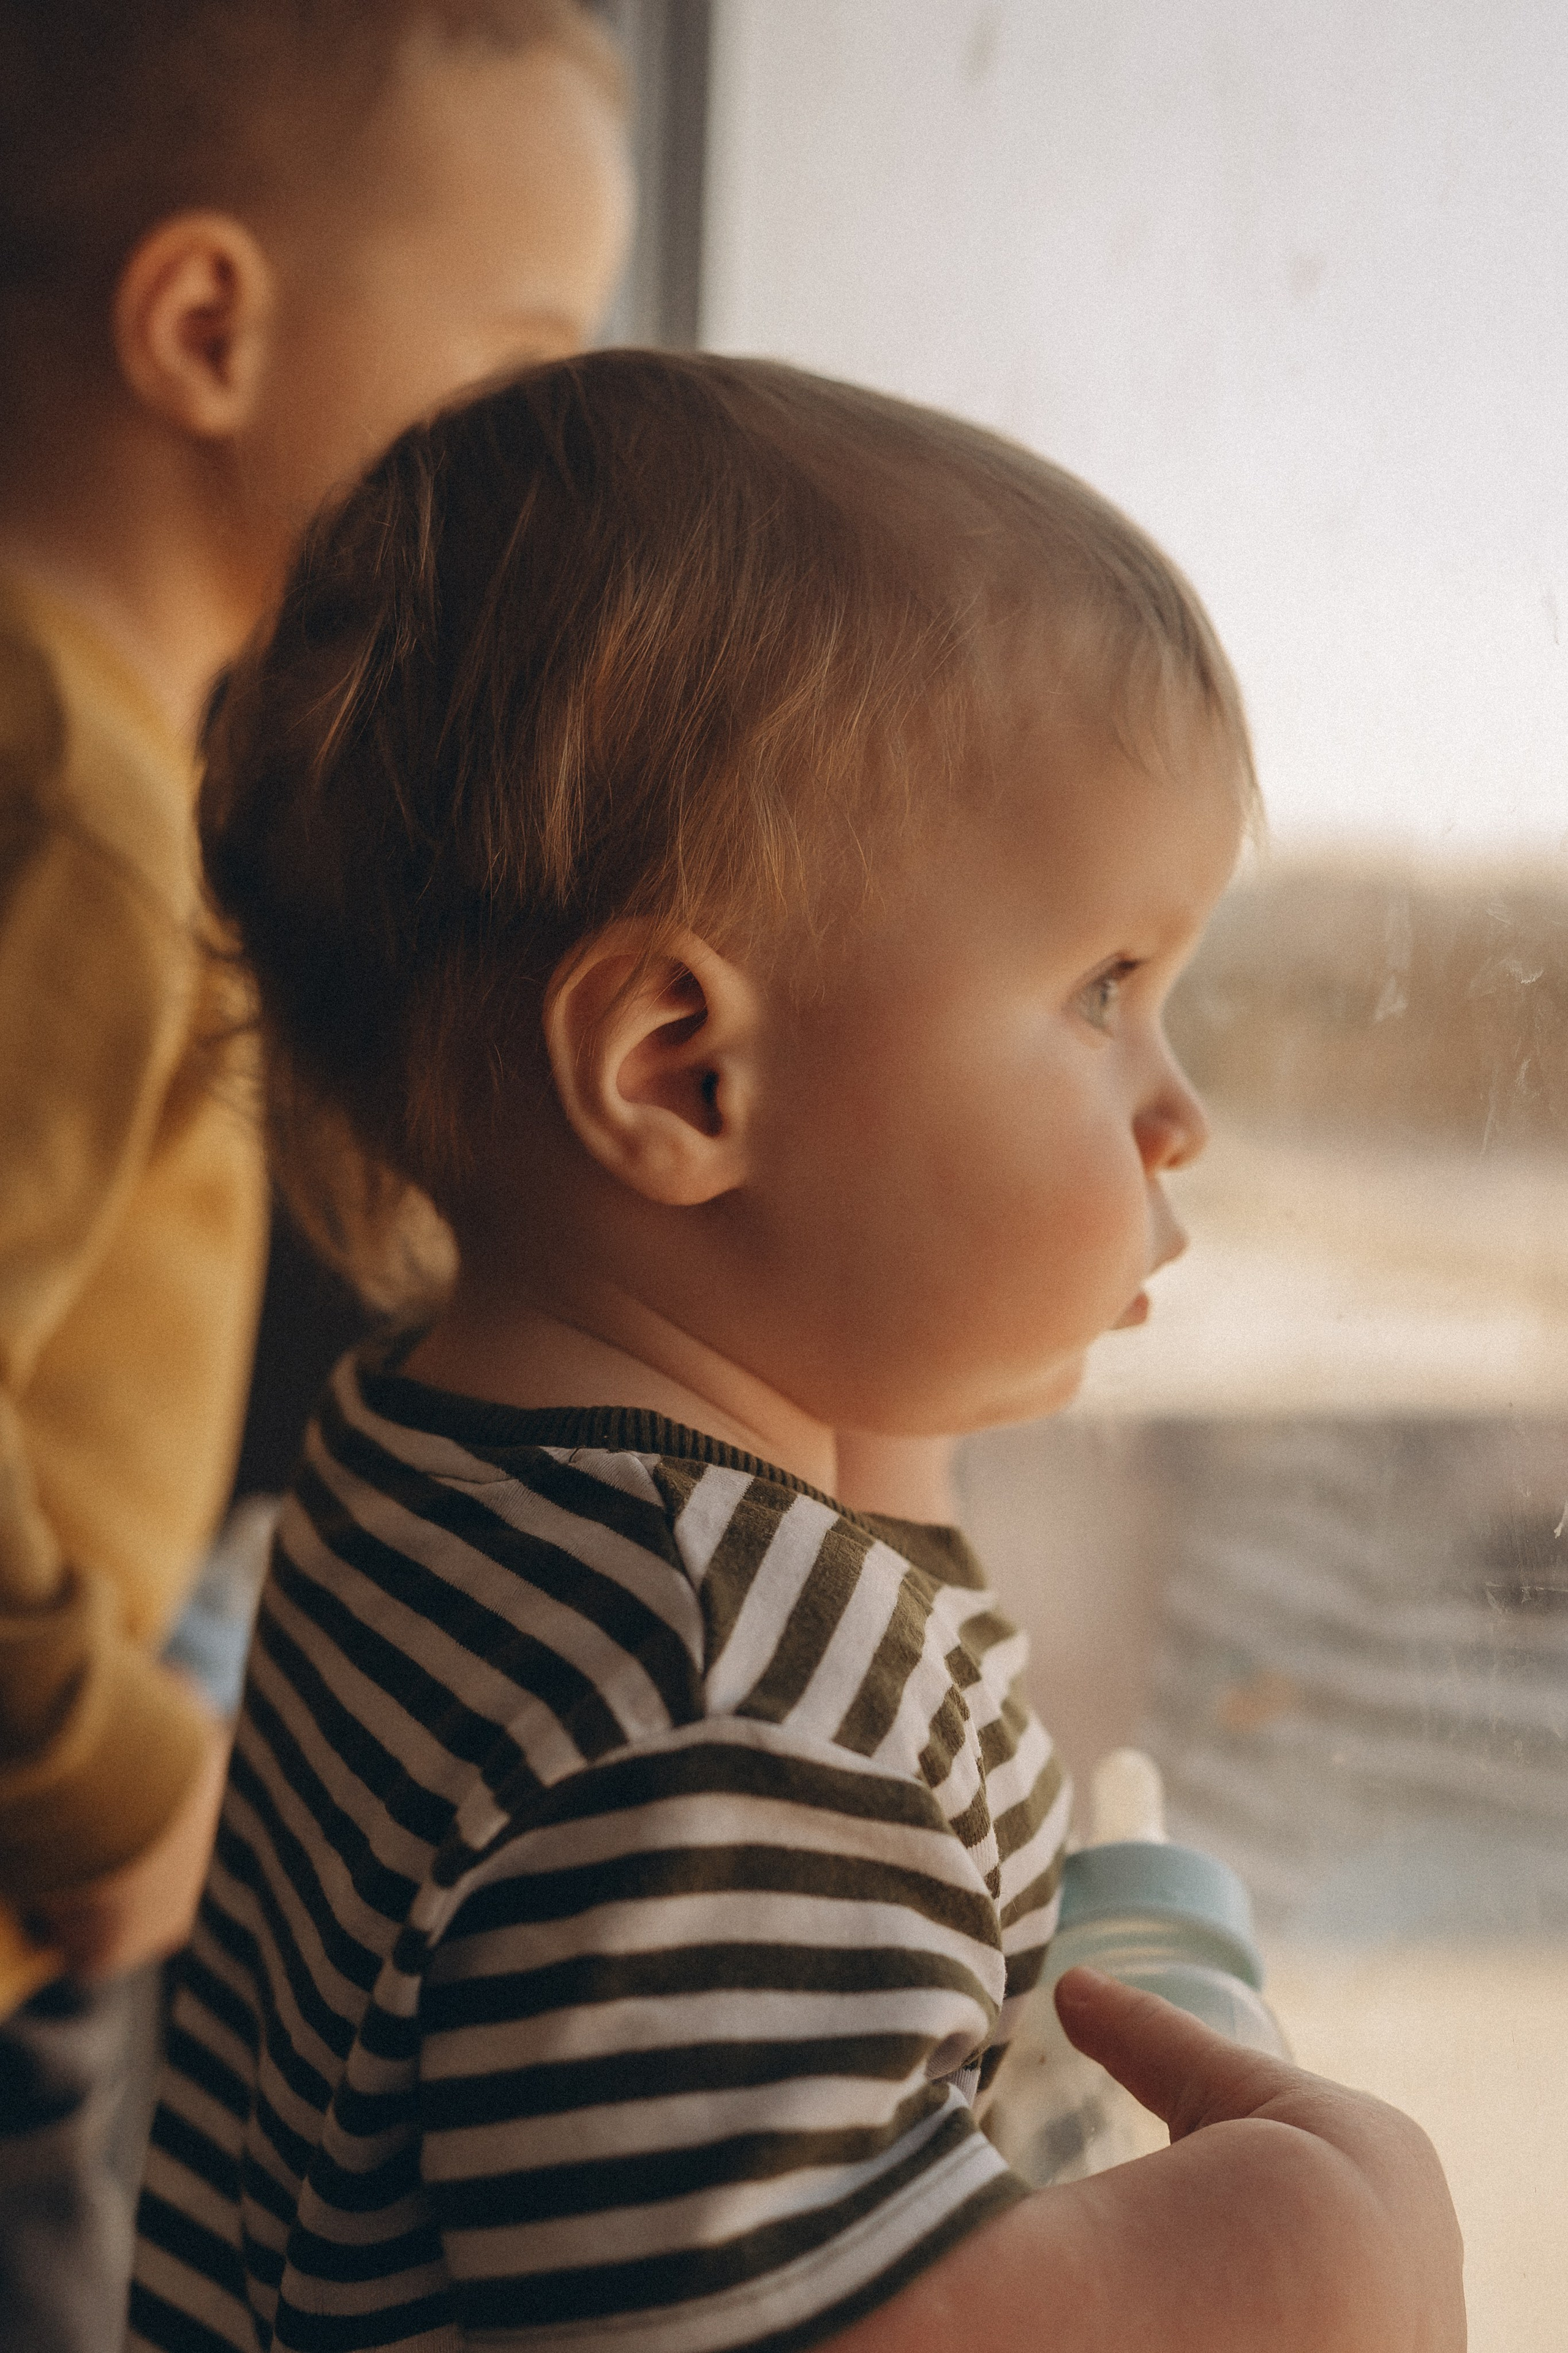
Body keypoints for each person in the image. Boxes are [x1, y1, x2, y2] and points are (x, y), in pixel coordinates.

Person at [130, 353, 1464, 2353]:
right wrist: (1313, 2272)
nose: (1177, 1110)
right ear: (683, 1070)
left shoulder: (434, 1451)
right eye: (1104, 988)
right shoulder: (717, 1714)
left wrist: (891, 1441)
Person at [0, 6, 630, 2344]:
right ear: (203, 326)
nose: (542, 453)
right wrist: (114, 1786)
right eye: (518, 364)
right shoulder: (65, 797)